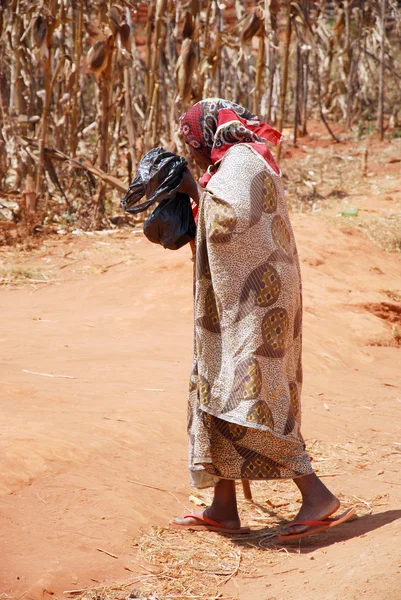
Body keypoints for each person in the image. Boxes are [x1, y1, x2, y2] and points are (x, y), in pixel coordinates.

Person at [170, 98, 354, 540]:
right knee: (215, 387)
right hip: (241, 301)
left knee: (249, 398)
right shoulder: (242, 160)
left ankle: (317, 496)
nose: (192, 152)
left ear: (207, 134)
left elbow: (230, 223)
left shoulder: (240, 164)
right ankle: (224, 507)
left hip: (258, 306)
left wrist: (191, 190)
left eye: (191, 143)